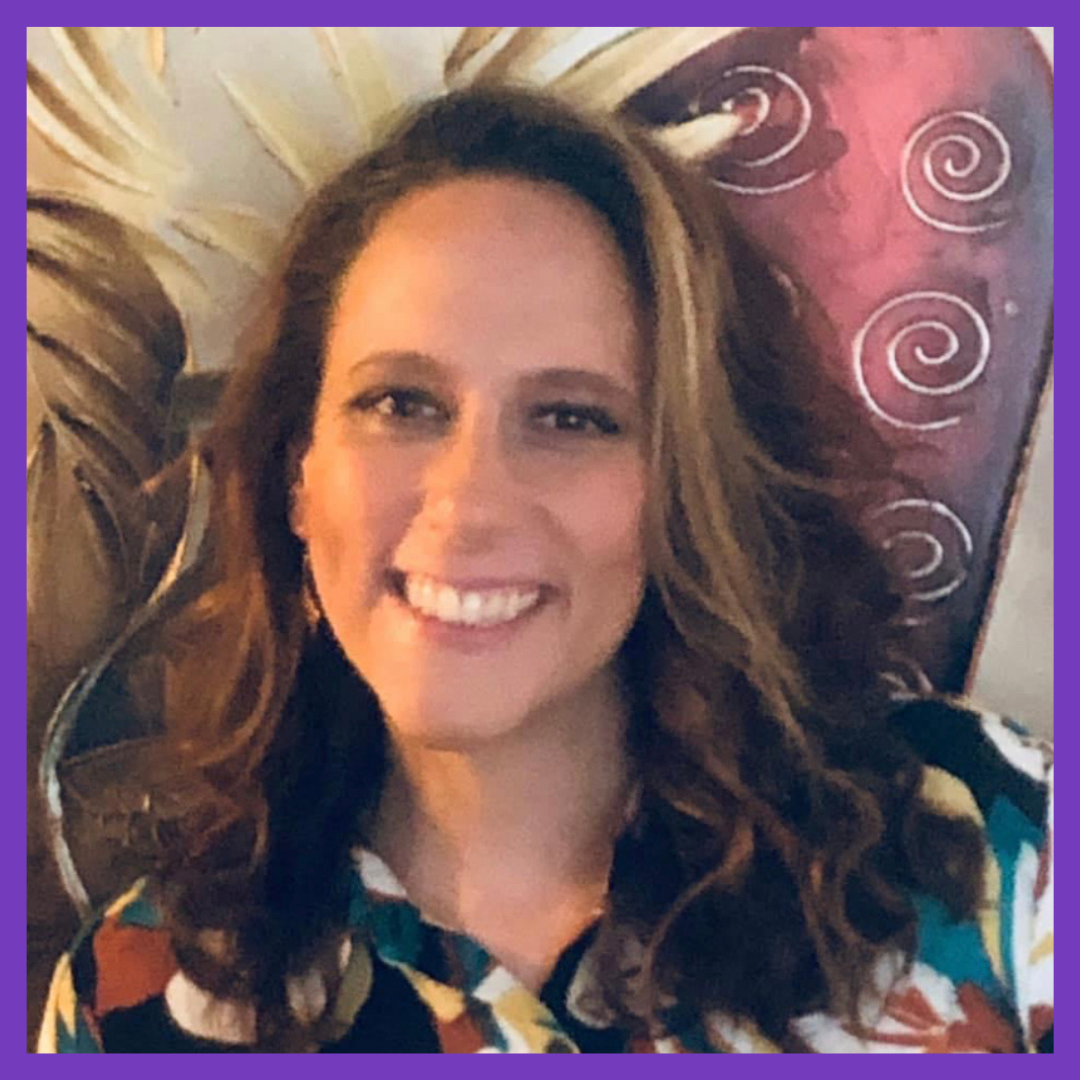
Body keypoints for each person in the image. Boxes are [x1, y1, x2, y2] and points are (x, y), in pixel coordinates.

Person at [37, 85, 1052, 1053]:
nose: (467, 501)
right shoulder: (137, 994)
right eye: (400, 403)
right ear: (295, 474)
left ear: (684, 485)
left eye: (572, 417)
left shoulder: (995, 845)